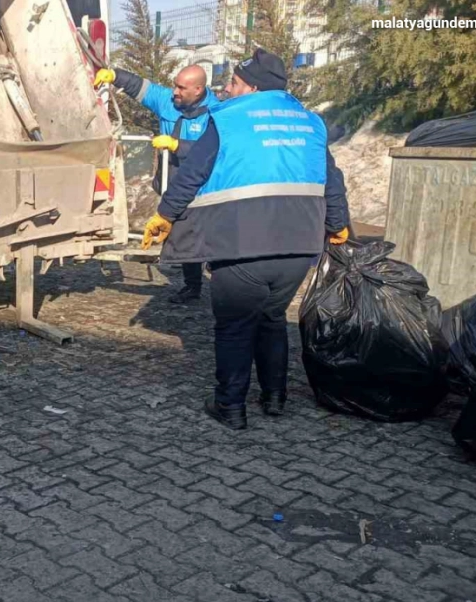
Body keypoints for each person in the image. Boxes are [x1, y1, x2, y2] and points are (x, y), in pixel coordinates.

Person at [140, 48, 351, 430]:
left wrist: (164, 214)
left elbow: (193, 174)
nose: (227, 88)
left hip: (242, 243)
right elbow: (332, 182)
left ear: (252, 86)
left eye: (233, 82)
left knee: (235, 326)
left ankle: (231, 406)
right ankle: (274, 398)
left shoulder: (228, 120)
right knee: (271, 318)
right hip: (301, 246)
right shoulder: (311, 123)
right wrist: (338, 226)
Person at [94, 63, 220, 304]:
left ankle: (216, 279)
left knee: (201, 234)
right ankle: (192, 285)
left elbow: (217, 152)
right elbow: (142, 88)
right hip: (172, 182)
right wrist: (114, 76)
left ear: (198, 89)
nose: (175, 91)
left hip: (204, 186)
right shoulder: (168, 101)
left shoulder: (216, 114)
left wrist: (178, 146)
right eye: (175, 85)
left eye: (182, 88)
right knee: (183, 233)